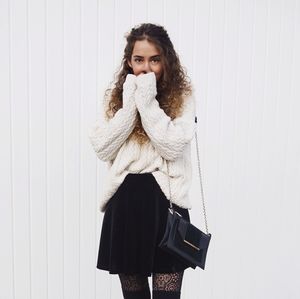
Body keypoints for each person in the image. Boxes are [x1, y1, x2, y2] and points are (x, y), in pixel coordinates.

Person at [88, 23, 197, 299]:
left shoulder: (182, 96)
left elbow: (171, 146)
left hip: (167, 208)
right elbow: (102, 147)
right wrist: (130, 106)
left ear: (166, 60)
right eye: (139, 60)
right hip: (125, 209)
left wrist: (147, 103)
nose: (146, 68)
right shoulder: (116, 98)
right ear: (129, 61)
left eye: (154, 59)